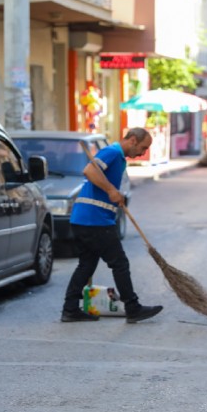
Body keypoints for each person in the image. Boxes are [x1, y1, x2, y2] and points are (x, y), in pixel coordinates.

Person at [61, 127, 163, 324]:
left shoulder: (118, 156)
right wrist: (110, 190)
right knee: (119, 263)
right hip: (94, 220)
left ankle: (70, 309)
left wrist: (117, 194)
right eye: (143, 147)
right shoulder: (112, 152)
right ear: (132, 140)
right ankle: (133, 308)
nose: (143, 153)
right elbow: (89, 171)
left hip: (85, 218)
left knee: (86, 265)